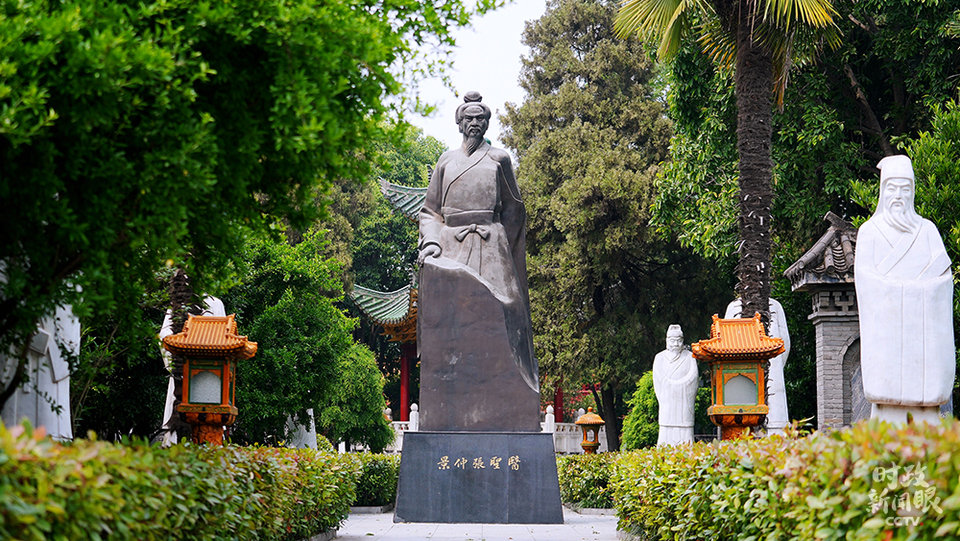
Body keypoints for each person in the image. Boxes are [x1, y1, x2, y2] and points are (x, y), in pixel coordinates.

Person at [416, 91, 539, 431]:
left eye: (480, 118)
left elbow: (514, 210)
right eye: (468, 118)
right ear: (459, 123)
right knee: (456, 317)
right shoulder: (445, 162)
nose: (474, 123)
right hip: (451, 245)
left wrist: (506, 246)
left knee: (509, 308)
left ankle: (511, 389)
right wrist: (431, 242)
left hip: (491, 241)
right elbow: (430, 212)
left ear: (487, 122)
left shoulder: (499, 159)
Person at [855, 154, 954, 424]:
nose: (898, 195)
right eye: (891, 188)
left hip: (922, 348)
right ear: (882, 191)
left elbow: (943, 282)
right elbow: (866, 282)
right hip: (888, 344)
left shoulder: (928, 231)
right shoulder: (869, 232)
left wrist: (919, 293)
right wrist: (909, 290)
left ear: (912, 192)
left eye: (904, 188)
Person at [725, 297, 790, 435]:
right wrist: (775, 367)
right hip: (771, 367)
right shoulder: (774, 305)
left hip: (742, 372)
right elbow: (785, 342)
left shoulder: (734, 306)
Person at [652, 325, 698, 445]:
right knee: (666, 431)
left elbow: (693, 378)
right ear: (667, 341)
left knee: (686, 432)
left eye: (679, 340)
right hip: (668, 403)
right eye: (673, 341)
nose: (676, 344)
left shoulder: (690, 357)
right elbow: (659, 379)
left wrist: (676, 385)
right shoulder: (660, 357)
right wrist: (672, 387)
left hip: (684, 403)